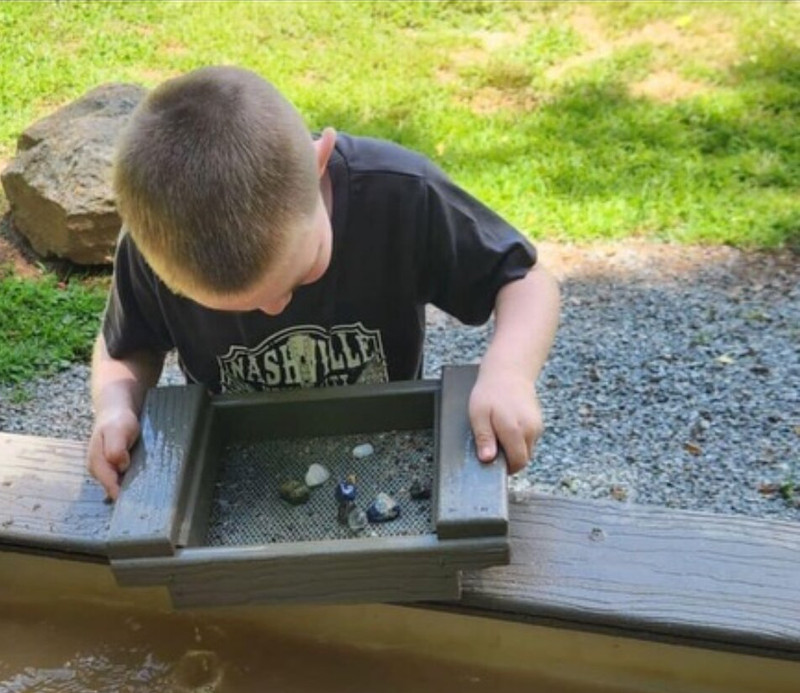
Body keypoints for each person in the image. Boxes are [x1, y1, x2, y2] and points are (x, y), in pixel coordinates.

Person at [88, 65, 560, 500]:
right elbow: (126, 346)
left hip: (388, 447)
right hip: (240, 470)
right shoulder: (156, 244)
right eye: (236, 306)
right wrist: (115, 406)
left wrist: (508, 374)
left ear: (319, 165)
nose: (276, 309)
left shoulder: (400, 194)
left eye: (302, 272)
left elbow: (525, 279)